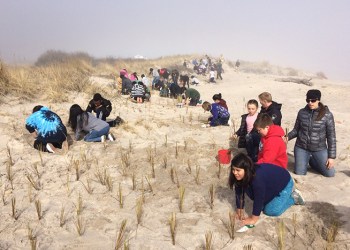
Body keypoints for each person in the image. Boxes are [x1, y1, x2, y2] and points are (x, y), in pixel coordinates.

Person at [229, 153, 305, 226]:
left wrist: (253, 219)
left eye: (238, 170)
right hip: (270, 184)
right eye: (233, 169)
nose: (235, 173)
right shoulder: (240, 176)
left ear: (246, 169)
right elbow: (239, 192)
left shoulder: (257, 178)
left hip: (284, 183)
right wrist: (239, 209)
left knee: (271, 211)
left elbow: (259, 198)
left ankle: (294, 198)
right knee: (260, 206)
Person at [286, 89, 336, 177]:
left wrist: (331, 157)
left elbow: (331, 136)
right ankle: (306, 159)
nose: (310, 103)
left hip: (319, 149)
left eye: (313, 100)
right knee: (300, 172)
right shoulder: (302, 112)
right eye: (308, 100)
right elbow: (296, 130)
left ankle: (313, 161)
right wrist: (287, 137)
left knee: (330, 173)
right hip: (301, 147)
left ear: (318, 100)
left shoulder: (327, 115)